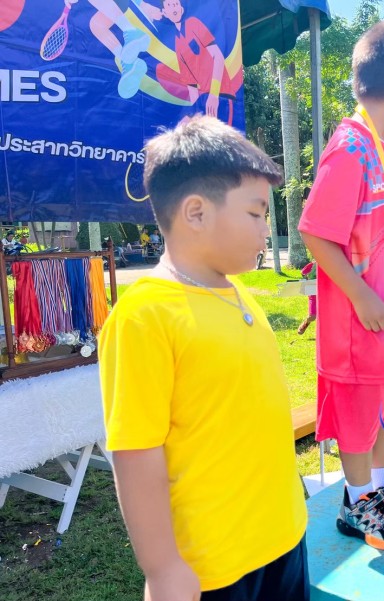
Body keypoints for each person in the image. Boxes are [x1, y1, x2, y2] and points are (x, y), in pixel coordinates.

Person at [99, 116, 308, 601]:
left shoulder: (236, 293)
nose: (266, 230)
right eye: (256, 214)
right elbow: (136, 454)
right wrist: (163, 568)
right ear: (195, 212)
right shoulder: (145, 315)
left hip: (284, 537)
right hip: (215, 566)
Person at [298, 19, 384, 551]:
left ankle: (379, 488)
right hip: (360, 321)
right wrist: (360, 294)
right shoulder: (349, 148)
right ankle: (356, 501)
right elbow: (315, 232)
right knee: (359, 410)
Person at [296, 260, 317, 335]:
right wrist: (307, 279)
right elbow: (303, 273)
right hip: (312, 291)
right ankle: (305, 324)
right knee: (312, 316)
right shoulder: (313, 265)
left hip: (325, 290)